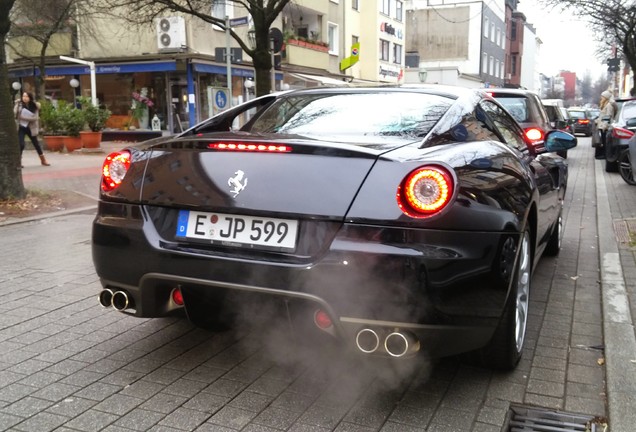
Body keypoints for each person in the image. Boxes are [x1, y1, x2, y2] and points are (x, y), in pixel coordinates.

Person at [13, 91, 50, 166]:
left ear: (30, 98)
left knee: (36, 144)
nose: (25, 98)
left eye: (26, 96)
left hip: (31, 128)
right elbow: (15, 114)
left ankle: (43, 160)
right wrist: (17, 104)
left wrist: (23, 117)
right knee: (21, 144)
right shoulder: (20, 105)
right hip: (22, 127)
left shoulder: (35, 105)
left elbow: (35, 118)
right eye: (23, 96)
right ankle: (18, 162)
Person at [595, 90, 615, 160]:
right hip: (601, 126)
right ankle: (603, 155)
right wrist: (597, 121)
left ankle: (605, 155)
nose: (601, 98)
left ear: (606, 97)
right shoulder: (605, 105)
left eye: (602, 96)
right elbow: (602, 116)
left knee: (604, 143)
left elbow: (608, 116)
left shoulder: (609, 105)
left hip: (605, 127)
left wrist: (604, 126)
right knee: (603, 142)